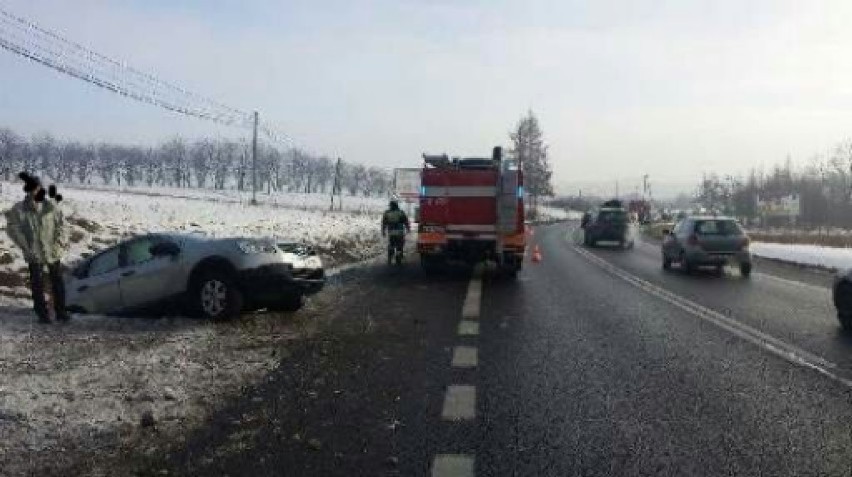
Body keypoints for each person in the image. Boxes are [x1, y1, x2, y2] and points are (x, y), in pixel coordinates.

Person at [5, 173, 69, 323]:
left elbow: (62, 226)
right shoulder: (19, 209)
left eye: (37, 187)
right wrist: (26, 246)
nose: (35, 190)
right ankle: (42, 314)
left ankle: (61, 312)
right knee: (37, 284)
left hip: (52, 251)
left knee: (57, 282)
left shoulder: (51, 207)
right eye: (32, 188)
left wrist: (59, 242)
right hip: (33, 252)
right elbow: (13, 228)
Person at [381, 199, 410, 264]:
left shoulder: (387, 213)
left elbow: (384, 222)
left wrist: (383, 231)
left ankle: (390, 257)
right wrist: (408, 229)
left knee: (391, 244)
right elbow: (406, 221)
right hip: (399, 231)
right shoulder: (401, 212)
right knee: (399, 245)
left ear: (390, 206)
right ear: (397, 205)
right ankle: (398, 258)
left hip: (391, 232)